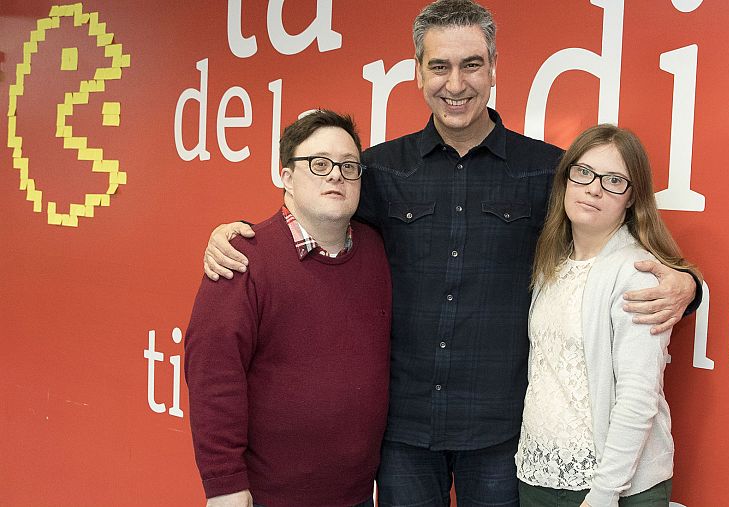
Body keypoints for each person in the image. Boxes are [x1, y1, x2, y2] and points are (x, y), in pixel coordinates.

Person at [200, 1, 699, 505]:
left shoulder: (545, 171)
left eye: (471, 65)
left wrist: (687, 284)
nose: (455, 84)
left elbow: (613, 239)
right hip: (404, 434)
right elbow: (320, 208)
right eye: (439, 66)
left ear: (493, 70)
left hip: (501, 433)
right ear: (418, 73)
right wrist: (244, 236)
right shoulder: (380, 170)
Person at [183, 110, 391, 507]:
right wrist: (224, 483)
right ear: (286, 176)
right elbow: (213, 373)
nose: (336, 175)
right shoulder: (242, 258)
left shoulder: (377, 252)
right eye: (319, 164)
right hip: (270, 498)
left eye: (349, 166)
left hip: (358, 497)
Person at [517, 124, 699, 507]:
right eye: (583, 172)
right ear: (566, 178)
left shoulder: (637, 271)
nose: (594, 188)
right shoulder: (553, 263)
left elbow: (638, 396)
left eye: (614, 180)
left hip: (613, 488)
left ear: (632, 198)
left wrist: (604, 493)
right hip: (540, 476)